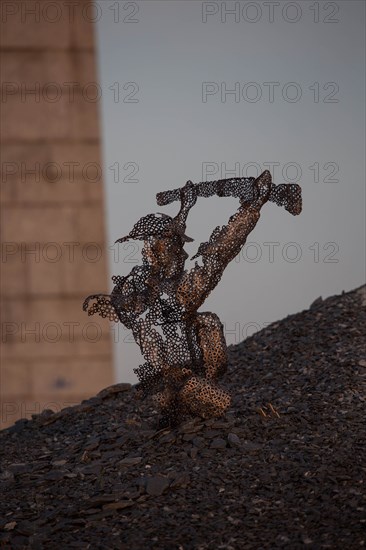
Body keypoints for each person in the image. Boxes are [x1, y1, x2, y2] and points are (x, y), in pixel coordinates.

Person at [83, 170, 301, 426]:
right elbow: (129, 308)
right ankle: (179, 408)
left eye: (159, 243)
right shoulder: (138, 284)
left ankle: (194, 403)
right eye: (149, 244)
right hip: (163, 383)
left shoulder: (182, 286)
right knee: (177, 390)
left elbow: (220, 250)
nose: (150, 250)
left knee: (207, 326)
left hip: (190, 378)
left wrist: (251, 208)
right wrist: (106, 302)